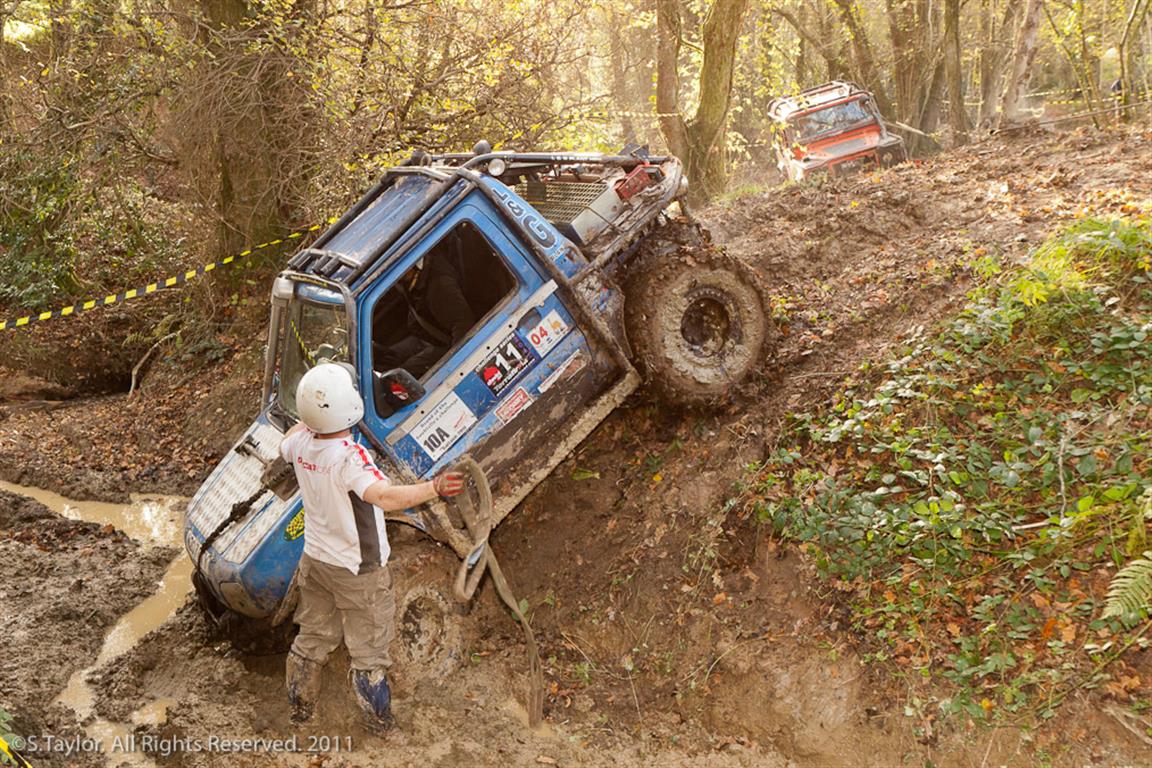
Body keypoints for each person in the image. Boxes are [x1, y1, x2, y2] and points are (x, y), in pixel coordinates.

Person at [280, 362, 466, 733]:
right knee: (369, 654)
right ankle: (379, 725)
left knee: (312, 638)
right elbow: (383, 496)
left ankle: (300, 714)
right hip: (358, 570)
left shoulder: (299, 444)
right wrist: (434, 488)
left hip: (315, 561)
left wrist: (311, 410)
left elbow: (292, 434)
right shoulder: (350, 457)